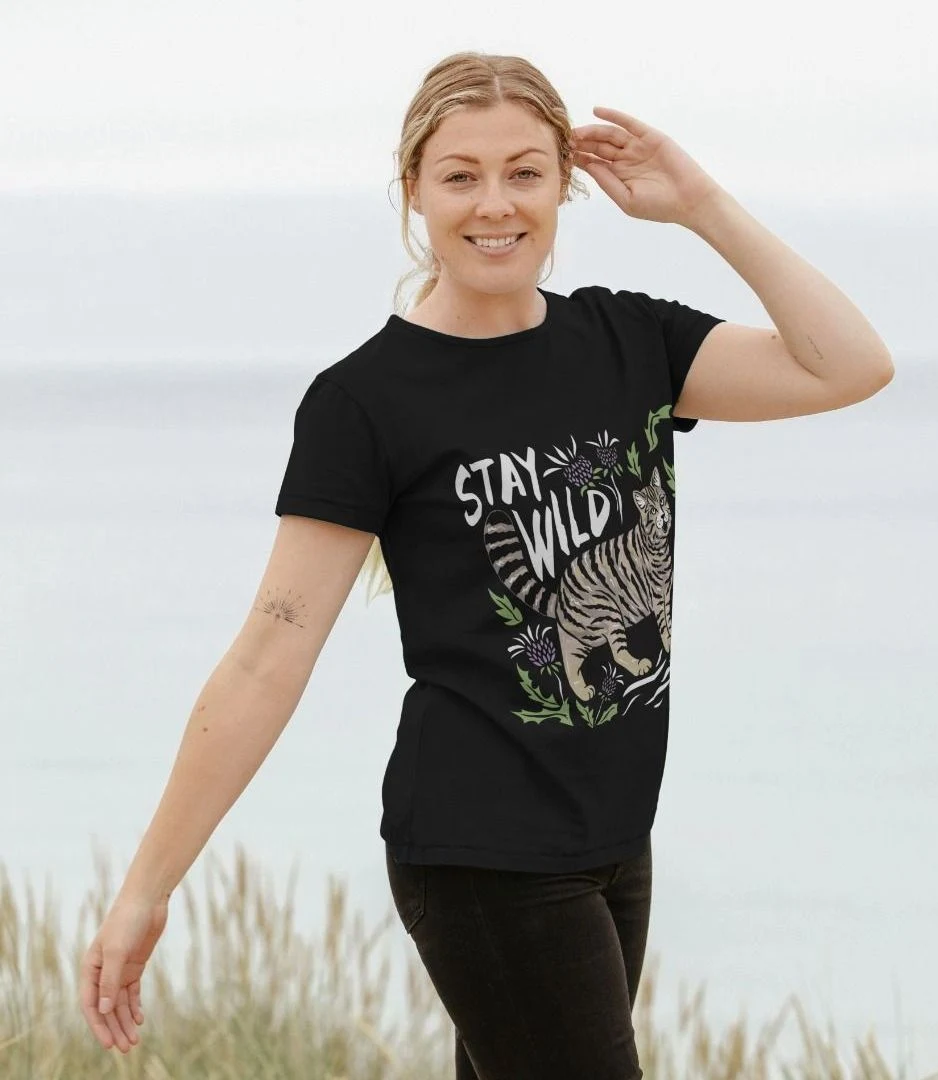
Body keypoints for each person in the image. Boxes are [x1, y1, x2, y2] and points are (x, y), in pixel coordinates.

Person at [78, 50, 893, 1079]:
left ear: (566, 184)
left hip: (614, 840)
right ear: (413, 188)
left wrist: (701, 206)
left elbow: (850, 364)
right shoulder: (366, 402)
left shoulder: (629, 341)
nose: (495, 204)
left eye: (525, 172)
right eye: (460, 175)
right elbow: (267, 657)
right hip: (481, 852)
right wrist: (147, 886)